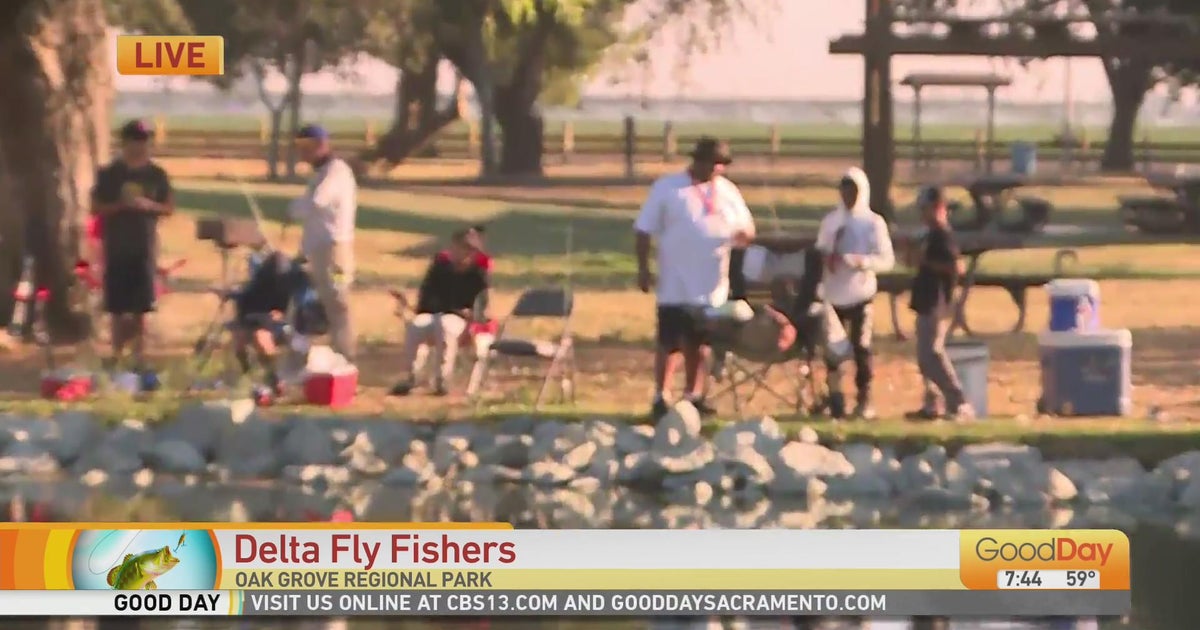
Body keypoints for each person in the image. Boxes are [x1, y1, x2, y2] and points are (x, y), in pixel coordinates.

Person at [635, 137, 755, 419]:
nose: (716, 170)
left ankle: (693, 395)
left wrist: (743, 236)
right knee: (670, 342)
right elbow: (643, 229)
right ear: (697, 162)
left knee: (699, 344)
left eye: (721, 165)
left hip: (711, 284)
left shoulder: (728, 192)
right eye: (712, 163)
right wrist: (643, 267)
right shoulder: (669, 188)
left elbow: (747, 229)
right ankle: (661, 396)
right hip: (675, 282)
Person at [90, 119, 174, 371]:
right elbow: (95, 207)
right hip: (116, 246)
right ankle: (116, 355)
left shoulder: (157, 175)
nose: (140, 146)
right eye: (135, 141)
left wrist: (150, 207)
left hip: (144, 246)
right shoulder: (109, 174)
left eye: (144, 140)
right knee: (116, 307)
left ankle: (138, 357)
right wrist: (120, 206)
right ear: (124, 142)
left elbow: (169, 207)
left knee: (140, 307)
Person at [814, 167, 895, 420]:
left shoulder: (873, 223)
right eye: (845, 191)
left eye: (854, 192)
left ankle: (864, 399)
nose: (848, 197)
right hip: (833, 294)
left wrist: (861, 262)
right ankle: (836, 399)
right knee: (832, 350)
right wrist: (826, 259)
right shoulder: (830, 222)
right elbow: (819, 251)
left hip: (861, 294)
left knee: (861, 347)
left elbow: (886, 260)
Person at [391, 227, 491, 396]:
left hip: (458, 320)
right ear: (454, 247)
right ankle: (411, 376)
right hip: (434, 314)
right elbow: (426, 297)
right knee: (417, 326)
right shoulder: (440, 268)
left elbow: (480, 306)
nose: (467, 254)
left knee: (444, 325)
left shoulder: (477, 275)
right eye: (463, 248)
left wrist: (471, 319)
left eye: (471, 250)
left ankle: (441, 379)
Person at [288, 124, 358, 361]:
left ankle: (345, 358)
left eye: (305, 148)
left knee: (338, 305)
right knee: (317, 307)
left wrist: (294, 208)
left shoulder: (336, 172)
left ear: (320, 146)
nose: (302, 155)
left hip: (334, 252)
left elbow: (316, 203)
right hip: (317, 251)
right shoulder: (320, 174)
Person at [906, 186, 976, 421]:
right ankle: (932, 404)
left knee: (932, 355)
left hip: (936, 302)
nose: (923, 214)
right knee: (923, 357)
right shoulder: (929, 235)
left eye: (926, 209)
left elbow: (956, 267)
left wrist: (926, 261)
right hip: (924, 300)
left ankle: (959, 402)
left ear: (939, 208)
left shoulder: (943, 235)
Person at [231, 250, 304, 394]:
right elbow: (245, 301)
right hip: (252, 319)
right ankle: (248, 377)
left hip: (276, 323)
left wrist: (279, 315)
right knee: (239, 337)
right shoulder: (257, 285)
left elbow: (285, 311)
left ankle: (274, 378)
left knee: (260, 337)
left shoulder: (287, 286)